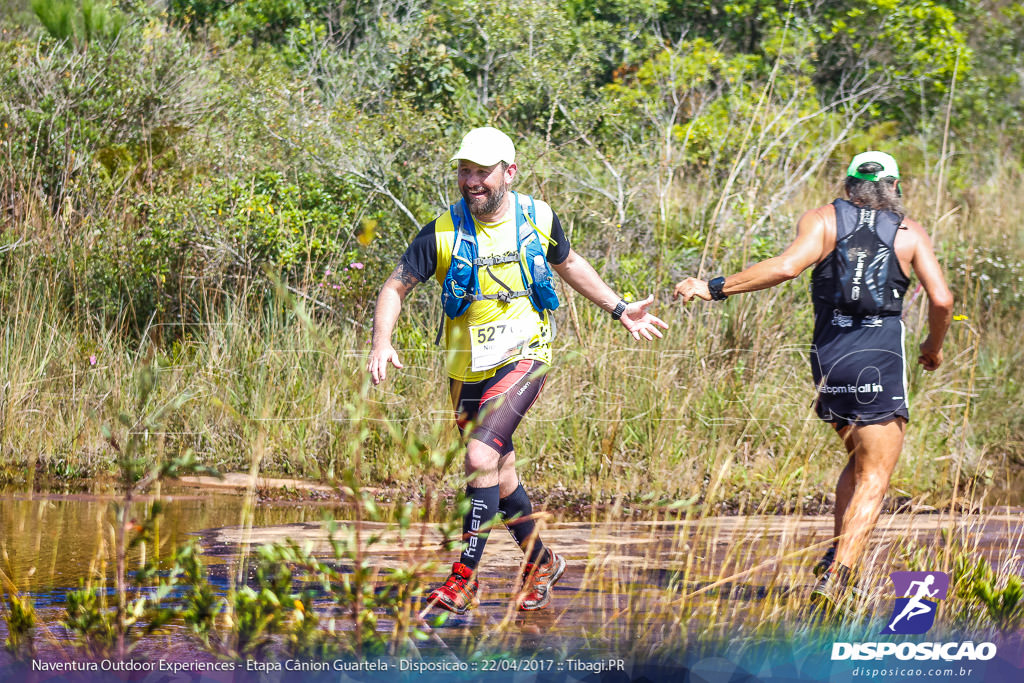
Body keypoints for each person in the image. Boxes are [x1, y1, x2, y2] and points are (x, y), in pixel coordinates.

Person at [367, 126, 668, 614]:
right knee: (499, 467)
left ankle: (464, 579)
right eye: (465, 172)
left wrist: (620, 308)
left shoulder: (537, 216)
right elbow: (394, 287)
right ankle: (539, 560)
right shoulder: (442, 231)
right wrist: (382, 341)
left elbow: (569, 264)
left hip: (527, 354)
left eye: (482, 173)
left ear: (509, 172)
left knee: (481, 454)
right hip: (466, 367)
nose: (472, 182)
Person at [673, 151, 953, 609]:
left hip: (829, 358)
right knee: (876, 476)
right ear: (896, 188)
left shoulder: (823, 219)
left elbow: (786, 267)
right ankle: (840, 578)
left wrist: (713, 286)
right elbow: (941, 300)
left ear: (848, 186)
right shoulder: (909, 232)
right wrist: (932, 348)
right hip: (878, 357)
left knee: (860, 460)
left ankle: (836, 558)